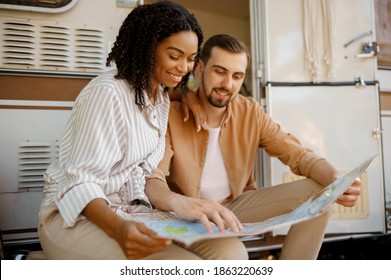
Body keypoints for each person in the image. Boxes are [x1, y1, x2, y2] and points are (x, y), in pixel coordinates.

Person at [145, 34, 362, 259]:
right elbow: (154, 176)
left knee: (323, 194)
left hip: (235, 206)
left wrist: (337, 180)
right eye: (219, 72)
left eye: (237, 76)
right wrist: (178, 203)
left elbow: (298, 155)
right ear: (200, 68)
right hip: (189, 215)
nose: (227, 85)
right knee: (235, 256)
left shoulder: (250, 111)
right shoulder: (172, 114)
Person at [38, 1, 207, 260]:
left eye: (190, 59)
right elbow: (81, 183)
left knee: (225, 248)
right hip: (77, 217)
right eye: (174, 56)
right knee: (180, 264)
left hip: (127, 211)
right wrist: (118, 229)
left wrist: (177, 202)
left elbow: (144, 174)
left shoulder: (160, 100)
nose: (184, 68)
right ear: (148, 48)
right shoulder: (107, 93)